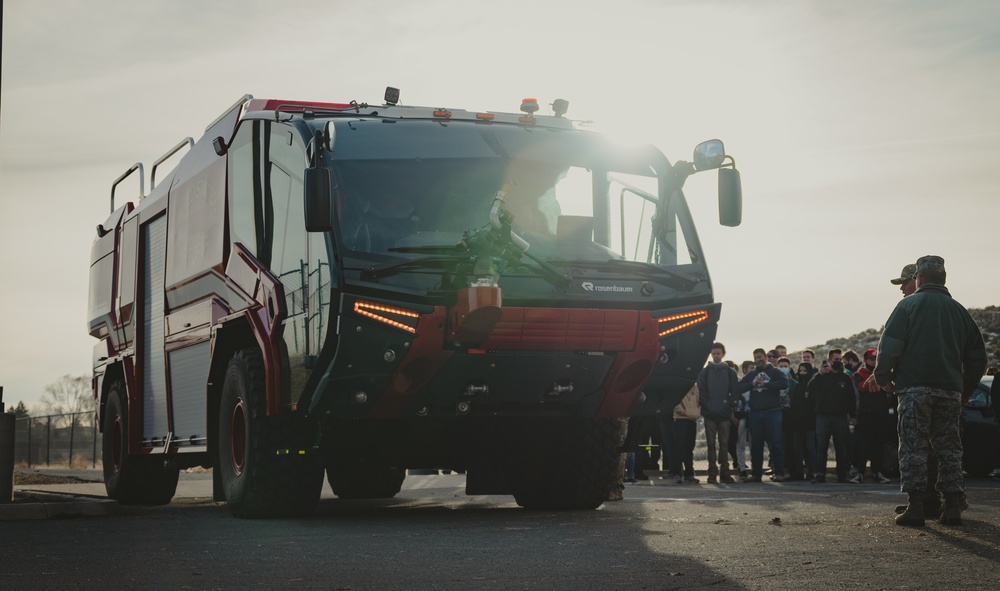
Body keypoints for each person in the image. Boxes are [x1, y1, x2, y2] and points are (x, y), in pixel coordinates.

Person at [874, 256, 987, 526]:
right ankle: (951, 507)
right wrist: (965, 389)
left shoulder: (908, 306)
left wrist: (883, 377)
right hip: (949, 391)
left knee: (914, 447)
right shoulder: (960, 311)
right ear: (944, 279)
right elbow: (978, 358)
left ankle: (916, 507)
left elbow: (889, 347)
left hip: (914, 389)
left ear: (920, 278)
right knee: (949, 448)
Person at [736, 349, 788, 482]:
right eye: (755, 357)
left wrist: (766, 384)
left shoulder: (775, 372)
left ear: (765, 357)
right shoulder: (752, 374)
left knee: (776, 443)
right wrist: (752, 384)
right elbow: (739, 387)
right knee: (756, 445)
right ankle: (756, 474)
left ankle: (779, 473)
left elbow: (784, 383)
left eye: (760, 357)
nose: (757, 359)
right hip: (755, 413)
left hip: (773, 412)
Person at [809, 356, 856, 483]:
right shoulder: (820, 377)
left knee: (841, 447)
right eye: (834, 359)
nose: (837, 361)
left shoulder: (845, 378)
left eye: (839, 359)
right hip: (822, 417)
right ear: (828, 361)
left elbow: (851, 398)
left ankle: (842, 475)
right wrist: (818, 375)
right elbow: (810, 390)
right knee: (821, 447)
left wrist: (853, 416)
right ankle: (820, 475)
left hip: (840, 417)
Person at [698, 343, 739, 484]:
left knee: (724, 444)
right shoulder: (705, 372)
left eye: (718, 353)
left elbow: (735, 393)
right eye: (714, 353)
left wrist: (728, 407)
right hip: (709, 414)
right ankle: (712, 473)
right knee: (710, 444)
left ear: (723, 354)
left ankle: (725, 473)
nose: (716, 356)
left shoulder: (730, 372)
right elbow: (701, 392)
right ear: (711, 354)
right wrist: (707, 407)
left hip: (724, 415)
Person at [852, 349, 891, 483]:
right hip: (865, 415)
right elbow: (861, 387)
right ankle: (860, 472)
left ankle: (877, 472)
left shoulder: (883, 374)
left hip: (881, 414)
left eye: (875, 360)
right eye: (871, 360)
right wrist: (875, 381)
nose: (873, 362)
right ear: (865, 360)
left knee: (878, 444)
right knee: (863, 444)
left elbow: (889, 389)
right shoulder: (859, 374)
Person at [787, 362, 817, 480]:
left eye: (805, 371)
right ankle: (799, 472)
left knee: (810, 448)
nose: (802, 373)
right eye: (800, 371)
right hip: (797, 421)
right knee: (797, 448)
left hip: (809, 421)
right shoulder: (797, 386)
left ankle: (812, 472)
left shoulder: (812, 385)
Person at [670, 384, 701, 484]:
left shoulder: (695, 387)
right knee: (679, 447)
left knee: (689, 448)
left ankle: (689, 474)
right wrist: (687, 413)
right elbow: (675, 404)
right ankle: (677, 473)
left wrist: (696, 413)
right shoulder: (678, 385)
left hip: (692, 421)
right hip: (680, 420)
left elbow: (698, 401)